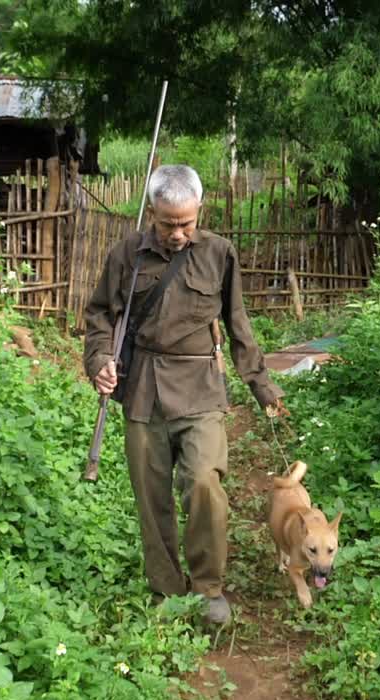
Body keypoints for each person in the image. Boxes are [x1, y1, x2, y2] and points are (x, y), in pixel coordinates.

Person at [83, 164, 286, 624]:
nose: (177, 234)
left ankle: (209, 587)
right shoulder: (126, 255)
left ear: (200, 211)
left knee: (203, 482)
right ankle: (166, 591)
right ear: (151, 212)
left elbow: (238, 323)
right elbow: (99, 316)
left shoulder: (219, 253)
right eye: (167, 224)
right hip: (144, 389)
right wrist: (99, 362)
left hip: (200, 386)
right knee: (151, 496)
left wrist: (261, 386)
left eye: (186, 223)